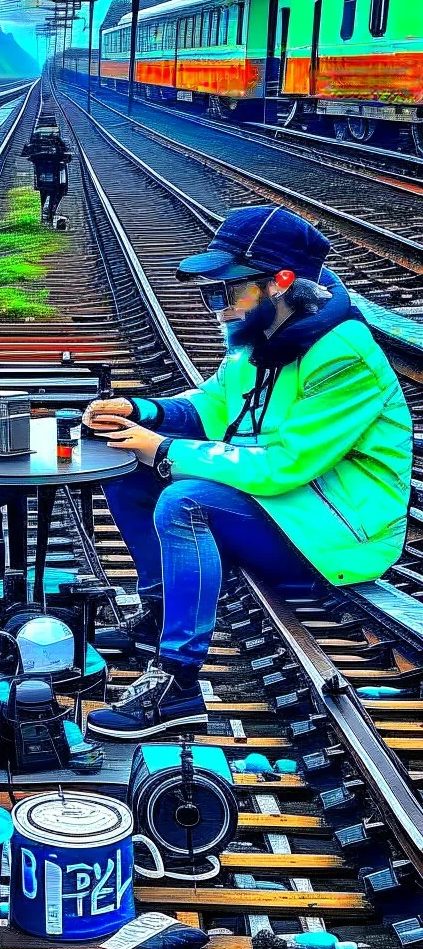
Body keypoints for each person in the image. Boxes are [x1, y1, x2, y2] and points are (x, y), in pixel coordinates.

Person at [83, 205, 412, 740]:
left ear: (280, 282)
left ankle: (178, 683)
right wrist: (142, 413)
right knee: (127, 473)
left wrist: (163, 448)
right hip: (288, 509)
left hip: (337, 532)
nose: (218, 308)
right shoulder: (264, 334)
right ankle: (159, 613)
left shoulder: (343, 358)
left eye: (226, 292)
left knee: (184, 499)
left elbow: (284, 466)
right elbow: (217, 405)